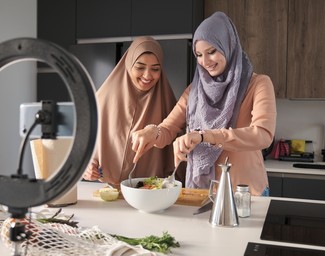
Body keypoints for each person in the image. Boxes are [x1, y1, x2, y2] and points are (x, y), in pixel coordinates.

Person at [131, 12, 277, 196]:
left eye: (212, 52)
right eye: (199, 55)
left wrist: (204, 136)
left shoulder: (258, 84)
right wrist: (153, 131)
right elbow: (167, 129)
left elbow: (263, 135)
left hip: (244, 192)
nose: (205, 62)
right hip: (201, 193)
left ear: (228, 46)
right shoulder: (194, 90)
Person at [83, 36, 178, 187]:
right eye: (140, 67)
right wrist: (86, 166)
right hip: (109, 191)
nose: (147, 75)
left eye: (155, 69)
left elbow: (177, 147)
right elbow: (84, 147)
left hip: (152, 191)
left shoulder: (170, 103)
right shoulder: (102, 99)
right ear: (128, 64)